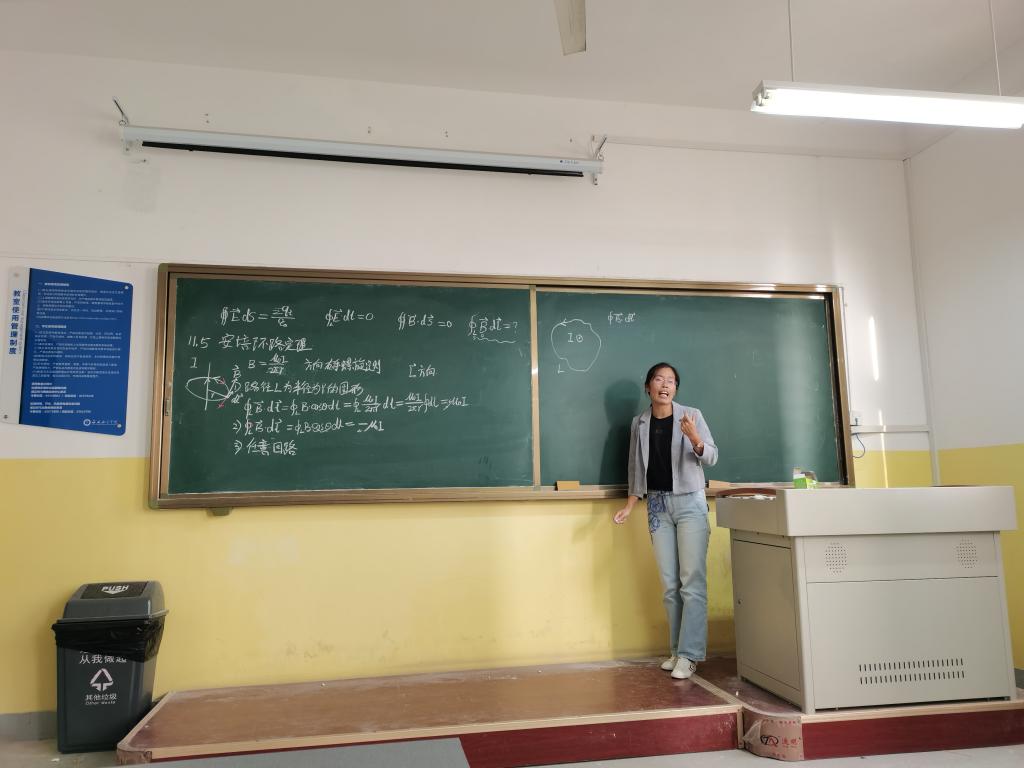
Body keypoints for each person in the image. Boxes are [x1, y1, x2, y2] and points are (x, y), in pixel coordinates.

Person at [613, 362, 718, 680]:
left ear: (675, 388)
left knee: (691, 581)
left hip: (690, 504)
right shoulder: (640, 423)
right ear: (648, 387)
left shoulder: (691, 415)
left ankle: (690, 654)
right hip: (657, 506)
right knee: (670, 584)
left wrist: (695, 437)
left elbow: (712, 456)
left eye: (671, 381)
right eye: (659, 379)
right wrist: (630, 504)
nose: (665, 385)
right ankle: (676, 650)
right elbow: (635, 467)